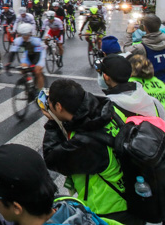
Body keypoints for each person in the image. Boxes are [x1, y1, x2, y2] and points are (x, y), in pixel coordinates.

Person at [41, 79, 140, 225]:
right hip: (130, 197)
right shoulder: (107, 111)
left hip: (109, 211)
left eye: (49, 102)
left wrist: (53, 123)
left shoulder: (87, 143)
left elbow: (52, 158)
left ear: (59, 106)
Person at [126, 14, 165, 92]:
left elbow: (127, 51)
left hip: (154, 88)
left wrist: (129, 33)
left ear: (144, 27)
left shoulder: (141, 48)